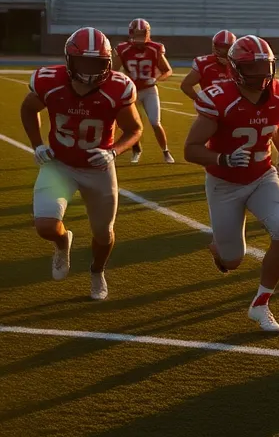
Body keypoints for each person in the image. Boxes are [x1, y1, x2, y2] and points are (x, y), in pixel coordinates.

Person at [183, 35, 279, 332]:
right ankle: (218, 249)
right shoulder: (219, 98)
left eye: (265, 67)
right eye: (252, 68)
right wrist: (222, 158)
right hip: (224, 183)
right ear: (234, 69)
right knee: (233, 261)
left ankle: (261, 304)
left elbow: (278, 120)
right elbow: (191, 148)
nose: (261, 75)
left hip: (262, 176)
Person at [20, 27, 143, 301]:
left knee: (103, 233)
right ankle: (63, 243)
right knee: (45, 226)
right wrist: (37, 144)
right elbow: (28, 108)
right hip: (59, 163)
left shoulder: (117, 87)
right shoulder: (49, 81)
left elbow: (134, 129)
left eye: (96, 63)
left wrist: (114, 152)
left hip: (98, 168)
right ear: (69, 60)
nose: (89, 70)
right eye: (83, 62)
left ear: (108, 62)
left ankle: (97, 271)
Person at [114, 18, 174, 164]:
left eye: (143, 33)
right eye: (137, 33)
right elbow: (113, 70)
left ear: (148, 33)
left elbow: (167, 70)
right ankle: (136, 149)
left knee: (155, 122)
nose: (140, 36)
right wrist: (123, 79)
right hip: (131, 91)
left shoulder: (155, 48)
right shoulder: (123, 49)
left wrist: (156, 79)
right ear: (131, 33)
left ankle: (166, 151)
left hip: (149, 90)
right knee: (132, 124)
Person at [181, 30, 236, 100]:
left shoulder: (240, 63)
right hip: (213, 108)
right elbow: (186, 85)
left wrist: (230, 66)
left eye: (223, 46)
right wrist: (200, 101)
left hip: (235, 106)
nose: (218, 49)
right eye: (217, 45)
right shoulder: (204, 63)